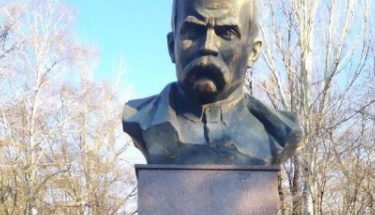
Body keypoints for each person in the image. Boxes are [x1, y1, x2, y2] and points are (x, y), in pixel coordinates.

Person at [123, 0, 301, 165]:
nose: (208, 46)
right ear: (171, 46)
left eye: (227, 33)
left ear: (253, 52)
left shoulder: (279, 133)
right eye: (193, 30)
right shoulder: (139, 118)